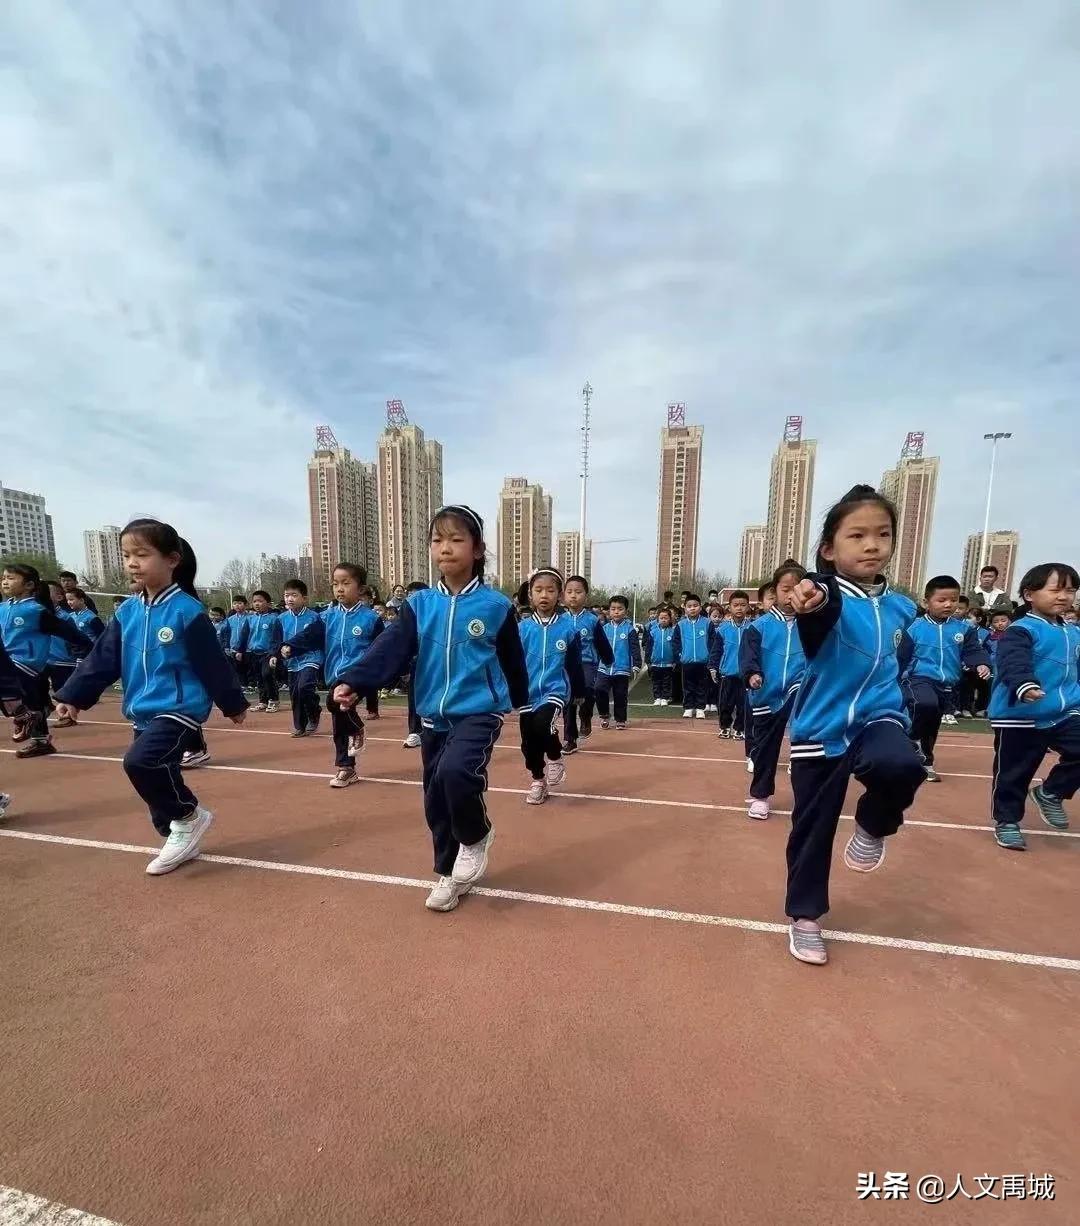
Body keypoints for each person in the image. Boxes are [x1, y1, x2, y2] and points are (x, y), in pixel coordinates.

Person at [332, 504, 528, 913]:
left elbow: (512, 660)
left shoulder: (495, 606)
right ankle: (447, 872)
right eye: (438, 540)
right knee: (435, 795)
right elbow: (391, 647)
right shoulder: (420, 604)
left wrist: (522, 702)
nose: (446, 548)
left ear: (477, 549)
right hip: (432, 715)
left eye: (457, 539)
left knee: (457, 773)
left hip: (480, 710)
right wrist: (355, 679)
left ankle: (476, 836)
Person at [784, 485, 926, 966]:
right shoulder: (827, 595)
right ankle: (805, 917)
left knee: (903, 765)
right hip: (820, 728)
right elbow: (819, 601)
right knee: (813, 828)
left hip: (879, 717)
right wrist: (810, 591)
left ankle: (873, 823)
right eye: (857, 535)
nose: (872, 545)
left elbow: (902, 661)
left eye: (882, 535)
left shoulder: (903, 608)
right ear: (829, 548)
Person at [55, 518, 247, 874]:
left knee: (140, 762)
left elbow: (213, 663)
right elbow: (103, 658)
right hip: (141, 708)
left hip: (180, 707)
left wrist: (232, 703)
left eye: (141, 554)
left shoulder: (187, 611)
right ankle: (177, 827)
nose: (131, 563)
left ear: (172, 559)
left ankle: (188, 815)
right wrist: (74, 695)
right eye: (126, 555)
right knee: (162, 772)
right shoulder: (127, 611)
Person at [987, 563, 1080, 851]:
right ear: (1029, 594)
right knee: (1014, 773)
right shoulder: (1021, 630)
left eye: (1071, 590)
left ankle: (1051, 792)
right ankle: (1007, 821)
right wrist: (1025, 684)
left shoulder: (1073, 633)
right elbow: (1013, 661)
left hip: (1064, 712)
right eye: (1055, 589)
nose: (1064, 596)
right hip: (1021, 714)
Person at [281, 563, 382, 787]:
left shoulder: (370, 619)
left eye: (346, 583)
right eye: (336, 584)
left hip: (358, 675)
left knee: (334, 705)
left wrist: (377, 675)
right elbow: (309, 636)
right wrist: (290, 646)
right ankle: (346, 767)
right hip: (334, 674)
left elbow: (381, 648)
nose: (340, 589)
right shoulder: (327, 617)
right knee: (339, 720)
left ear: (361, 588)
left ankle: (356, 731)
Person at [901, 576, 991, 782]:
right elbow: (900, 654)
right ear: (926, 602)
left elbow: (973, 651)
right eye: (941, 600)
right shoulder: (913, 627)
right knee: (926, 704)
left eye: (954, 600)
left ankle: (925, 763)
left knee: (932, 723)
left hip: (947, 683)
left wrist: (982, 663)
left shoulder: (962, 630)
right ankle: (911, 739)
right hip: (918, 678)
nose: (949, 604)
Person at [0, 564, 90, 756]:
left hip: (26, 662)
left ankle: (23, 714)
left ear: (29, 585)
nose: (5, 581)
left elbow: (69, 633)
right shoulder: (3, 608)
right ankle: (40, 740)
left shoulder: (35, 611)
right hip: (10, 662)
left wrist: (89, 650)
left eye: (11, 578)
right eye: (4, 578)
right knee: (36, 701)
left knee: (27, 701)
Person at [741, 563, 807, 819]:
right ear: (775, 591)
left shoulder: (813, 625)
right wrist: (752, 675)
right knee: (766, 748)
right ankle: (760, 797)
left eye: (796, 590)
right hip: (767, 694)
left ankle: (807, 797)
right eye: (785, 589)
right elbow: (748, 657)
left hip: (800, 689)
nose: (790, 596)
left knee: (806, 743)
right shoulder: (759, 627)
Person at [516, 568, 585, 804]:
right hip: (527, 693)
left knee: (544, 724)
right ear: (530, 595)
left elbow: (575, 664)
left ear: (559, 595)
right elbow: (512, 662)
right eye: (538, 590)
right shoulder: (522, 629)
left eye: (550, 590)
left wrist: (577, 691)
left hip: (555, 690)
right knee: (528, 741)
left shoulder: (568, 629)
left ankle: (555, 758)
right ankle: (538, 780)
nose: (544, 595)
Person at [561, 575, 614, 752]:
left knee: (587, 692)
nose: (573, 596)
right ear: (563, 595)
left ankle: (586, 716)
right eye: (569, 592)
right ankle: (570, 739)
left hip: (587, 663)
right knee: (568, 701)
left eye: (578, 592)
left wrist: (608, 659)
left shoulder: (592, 620)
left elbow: (601, 642)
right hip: (565, 665)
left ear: (586, 596)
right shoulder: (559, 619)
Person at [277, 579, 323, 738]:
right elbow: (277, 641)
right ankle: (299, 726)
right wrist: (277, 653)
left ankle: (314, 712)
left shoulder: (315, 617)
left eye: (294, 595)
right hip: (291, 662)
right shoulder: (281, 619)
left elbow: (313, 639)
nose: (289, 599)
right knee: (295, 694)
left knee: (304, 687)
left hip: (311, 658)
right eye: (286, 595)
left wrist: (292, 647)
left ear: (304, 598)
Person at [596, 595, 641, 729]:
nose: (616, 612)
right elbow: (598, 647)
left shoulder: (630, 630)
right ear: (609, 611)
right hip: (604, 667)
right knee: (599, 689)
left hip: (622, 668)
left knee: (620, 695)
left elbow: (635, 649)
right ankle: (604, 715)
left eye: (620, 609)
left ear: (625, 611)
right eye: (613, 609)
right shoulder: (604, 629)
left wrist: (636, 665)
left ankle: (620, 719)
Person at [712, 591, 751, 739]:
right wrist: (713, 667)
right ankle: (724, 726)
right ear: (730, 607)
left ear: (748, 606)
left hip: (746, 675)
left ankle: (740, 728)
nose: (739, 608)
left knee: (743, 705)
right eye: (736, 605)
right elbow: (716, 651)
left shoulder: (753, 627)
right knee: (724, 704)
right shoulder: (723, 629)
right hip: (727, 674)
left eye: (743, 605)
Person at [245, 590, 282, 713]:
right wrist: (240, 650)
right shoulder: (250, 619)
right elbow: (244, 636)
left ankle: (274, 700)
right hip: (253, 653)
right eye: (255, 601)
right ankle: (263, 701)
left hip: (268, 653)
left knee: (267, 675)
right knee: (259, 678)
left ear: (268, 603)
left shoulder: (274, 619)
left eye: (260, 601)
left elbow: (277, 638)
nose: (257, 604)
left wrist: (274, 653)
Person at [673, 594, 710, 718]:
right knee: (687, 686)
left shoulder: (707, 623)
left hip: (703, 661)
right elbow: (676, 642)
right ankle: (688, 707)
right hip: (687, 661)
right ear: (685, 608)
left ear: (700, 607)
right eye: (689, 606)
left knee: (702, 686)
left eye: (695, 606)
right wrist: (680, 654)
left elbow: (712, 641)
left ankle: (700, 708)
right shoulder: (681, 624)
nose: (692, 608)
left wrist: (709, 655)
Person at [644, 606, 676, 705]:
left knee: (667, 682)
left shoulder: (673, 632)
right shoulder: (653, 632)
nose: (663, 620)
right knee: (656, 681)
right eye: (661, 618)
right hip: (655, 663)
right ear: (658, 619)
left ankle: (665, 698)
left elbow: (676, 648)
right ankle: (657, 697)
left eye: (666, 618)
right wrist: (648, 660)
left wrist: (675, 661)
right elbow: (649, 647)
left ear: (670, 619)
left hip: (668, 663)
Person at [225, 595, 251, 689]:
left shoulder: (250, 617)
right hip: (234, 648)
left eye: (240, 603)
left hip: (247, 648)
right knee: (238, 668)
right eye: (235, 603)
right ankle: (243, 685)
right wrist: (227, 646)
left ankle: (251, 684)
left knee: (248, 667)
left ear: (245, 605)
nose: (237, 606)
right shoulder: (230, 619)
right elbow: (227, 633)